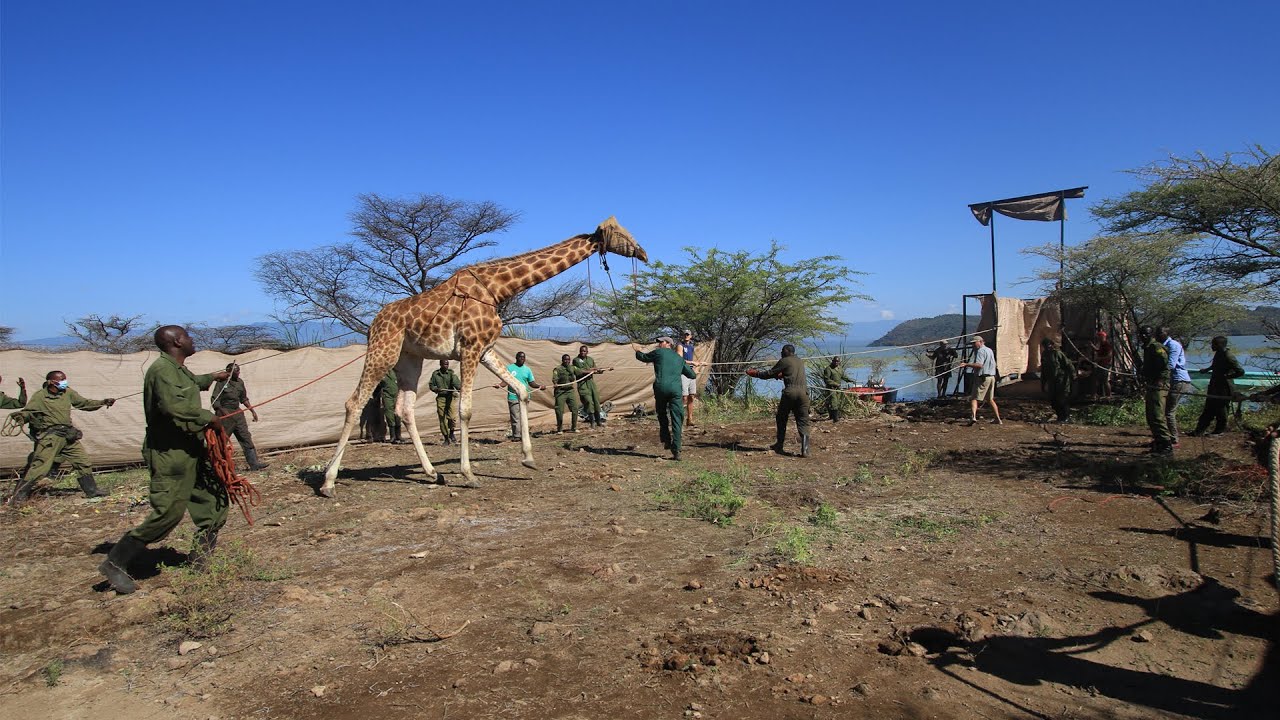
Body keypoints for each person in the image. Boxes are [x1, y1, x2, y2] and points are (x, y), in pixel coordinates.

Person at [98, 325, 231, 594]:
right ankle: (115, 563)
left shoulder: (177, 369)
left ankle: (199, 561)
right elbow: (173, 406)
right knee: (168, 513)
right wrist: (210, 419)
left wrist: (214, 376)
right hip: (170, 453)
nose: (193, 340)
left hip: (191, 449)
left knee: (213, 503)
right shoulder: (161, 371)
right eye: (189, 337)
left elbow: (190, 384)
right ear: (178, 341)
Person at [8, 371, 115, 503]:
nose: (65, 382)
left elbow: (84, 403)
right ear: (52, 382)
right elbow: (29, 412)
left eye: (65, 379)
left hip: (68, 436)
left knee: (83, 462)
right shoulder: (41, 396)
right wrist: (21, 418)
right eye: (62, 380)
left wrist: (103, 402)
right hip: (50, 437)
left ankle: (92, 491)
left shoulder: (68, 393)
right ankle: (19, 496)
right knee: (40, 467)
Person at [635, 336, 697, 460]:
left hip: (660, 389)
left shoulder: (659, 353)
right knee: (677, 418)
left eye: (661, 342)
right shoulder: (679, 358)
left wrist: (636, 350)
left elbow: (643, 357)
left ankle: (666, 439)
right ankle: (677, 450)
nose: (658, 344)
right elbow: (691, 374)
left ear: (668, 343)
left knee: (662, 414)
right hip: (675, 391)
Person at [746, 344, 812, 457]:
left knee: (781, 417)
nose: (781, 352)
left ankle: (780, 445)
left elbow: (769, 373)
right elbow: (791, 373)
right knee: (803, 420)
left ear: (787, 351)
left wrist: (756, 374)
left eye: (782, 350)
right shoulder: (799, 361)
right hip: (804, 394)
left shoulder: (784, 360)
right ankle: (805, 450)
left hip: (790, 392)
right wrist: (783, 374)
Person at [210, 363, 269, 470]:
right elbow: (215, 400)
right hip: (225, 413)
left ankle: (254, 464)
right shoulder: (222, 383)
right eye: (236, 371)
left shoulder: (240, 382)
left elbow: (244, 398)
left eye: (238, 370)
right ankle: (219, 465)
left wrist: (252, 410)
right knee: (222, 440)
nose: (238, 372)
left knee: (245, 436)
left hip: (237, 413)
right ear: (229, 372)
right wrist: (223, 412)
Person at [1190, 336, 1245, 436]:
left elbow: (1240, 371)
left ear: (1220, 345)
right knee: (1208, 409)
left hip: (1224, 388)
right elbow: (1215, 366)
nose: (1211, 346)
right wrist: (1206, 370)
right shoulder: (1219, 354)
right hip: (1214, 386)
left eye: (1213, 344)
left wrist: (1227, 376)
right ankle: (1199, 431)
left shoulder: (1228, 356)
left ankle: (1219, 432)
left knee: (1221, 411)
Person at [1139, 326, 1173, 455]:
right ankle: (1158, 441)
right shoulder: (1147, 348)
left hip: (1159, 385)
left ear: (1151, 334)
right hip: (1151, 384)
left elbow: (1165, 366)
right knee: (1151, 414)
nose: (1143, 336)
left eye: (1145, 334)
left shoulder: (1156, 347)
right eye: (1141, 334)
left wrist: (1160, 380)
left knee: (1158, 415)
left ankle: (1166, 445)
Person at [1158, 327, 1193, 447]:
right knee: (1167, 410)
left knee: (1169, 412)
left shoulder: (1173, 345)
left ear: (1166, 334)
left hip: (1180, 381)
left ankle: (1174, 439)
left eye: (1160, 333)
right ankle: (1168, 436)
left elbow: (1171, 365)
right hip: (1174, 381)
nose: (1157, 335)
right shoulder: (1162, 345)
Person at [495, 351, 543, 440]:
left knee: (523, 416)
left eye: (523, 357)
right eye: (520, 357)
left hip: (524, 396)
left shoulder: (527, 370)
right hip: (513, 396)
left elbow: (531, 383)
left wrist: (539, 386)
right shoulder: (510, 368)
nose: (522, 359)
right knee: (515, 417)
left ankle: (524, 434)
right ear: (516, 358)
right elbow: (506, 381)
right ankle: (517, 436)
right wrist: (499, 385)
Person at [957, 335, 1002, 425]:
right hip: (991, 377)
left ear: (980, 342)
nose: (973, 345)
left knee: (974, 398)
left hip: (983, 378)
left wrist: (966, 364)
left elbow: (979, 365)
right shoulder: (989, 350)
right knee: (990, 399)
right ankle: (998, 419)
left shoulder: (980, 351)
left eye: (974, 343)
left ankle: (973, 417)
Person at [573, 345, 610, 427]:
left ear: (587, 352)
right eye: (581, 351)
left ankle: (598, 421)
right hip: (582, 384)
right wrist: (591, 370)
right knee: (589, 402)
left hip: (591, 383)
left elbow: (595, 369)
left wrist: (601, 370)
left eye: (584, 351)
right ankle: (592, 422)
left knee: (596, 401)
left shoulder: (590, 359)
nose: (583, 352)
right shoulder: (576, 360)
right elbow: (579, 371)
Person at [1039, 338, 1075, 423]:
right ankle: (1060, 417)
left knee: (1062, 399)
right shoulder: (1044, 355)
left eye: (1048, 345)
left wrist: (1073, 375)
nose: (1047, 347)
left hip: (1061, 381)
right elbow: (1044, 370)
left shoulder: (1058, 353)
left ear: (1051, 345)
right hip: (1052, 382)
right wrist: (1043, 384)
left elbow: (1068, 364)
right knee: (1053, 401)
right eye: (1045, 346)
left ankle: (1065, 417)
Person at [428, 359, 461, 444]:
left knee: (452, 417)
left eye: (447, 364)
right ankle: (446, 438)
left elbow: (456, 383)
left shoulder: (451, 373)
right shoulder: (436, 374)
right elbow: (431, 385)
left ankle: (452, 433)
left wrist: (459, 388)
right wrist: (436, 389)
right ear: (441, 365)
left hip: (450, 396)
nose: (446, 366)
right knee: (442, 418)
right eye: (444, 364)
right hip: (441, 397)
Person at [550, 354, 582, 433]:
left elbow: (582, 371)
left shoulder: (572, 368)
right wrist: (555, 383)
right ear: (562, 360)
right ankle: (559, 429)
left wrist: (593, 371)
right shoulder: (558, 369)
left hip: (570, 390)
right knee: (559, 411)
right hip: (560, 391)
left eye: (568, 360)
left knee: (575, 409)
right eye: (565, 360)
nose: (567, 361)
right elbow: (554, 378)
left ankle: (574, 428)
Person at [819, 356, 853, 422]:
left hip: (838, 389)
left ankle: (832, 416)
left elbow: (843, 376)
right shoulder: (828, 369)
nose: (836, 362)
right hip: (831, 388)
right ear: (832, 361)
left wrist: (849, 380)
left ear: (839, 362)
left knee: (836, 402)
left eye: (837, 361)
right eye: (835, 361)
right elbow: (826, 379)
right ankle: (835, 419)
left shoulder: (839, 368)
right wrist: (835, 384)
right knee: (833, 402)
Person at [677, 331, 698, 427]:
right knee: (684, 397)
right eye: (685, 334)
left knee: (692, 396)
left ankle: (690, 419)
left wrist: (695, 367)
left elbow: (692, 360)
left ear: (691, 336)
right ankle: (679, 419)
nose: (686, 336)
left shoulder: (691, 347)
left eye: (688, 334)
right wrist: (692, 362)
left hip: (690, 372)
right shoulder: (680, 345)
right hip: (683, 373)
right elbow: (680, 360)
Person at [378, 368, 401, 443]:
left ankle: (398, 436)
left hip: (397, 396)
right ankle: (393, 436)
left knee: (398, 414)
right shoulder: (381, 374)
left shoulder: (395, 372)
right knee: (389, 415)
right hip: (387, 396)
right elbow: (378, 386)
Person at [1089, 331, 1114, 398]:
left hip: (1105, 365)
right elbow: (1099, 351)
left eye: (1100, 337)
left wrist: (1100, 358)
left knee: (1105, 380)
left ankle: (1109, 395)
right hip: (1100, 364)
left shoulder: (1107, 345)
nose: (1099, 339)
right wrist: (1093, 347)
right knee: (1097, 379)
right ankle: (1096, 394)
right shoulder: (1101, 345)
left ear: (1103, 337)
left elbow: (1109, 356)